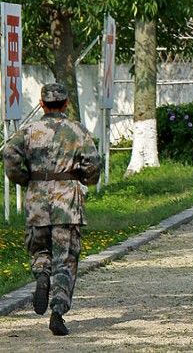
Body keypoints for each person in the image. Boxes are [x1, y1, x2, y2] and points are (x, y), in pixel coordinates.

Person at [3, 83, 101, 336]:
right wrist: (85, 178)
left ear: (42, 103)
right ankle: (57, 311)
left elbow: (9, 154)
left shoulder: (29, 130)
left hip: (37, 200)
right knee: (66, 258)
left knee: (39, 249)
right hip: (67, 202)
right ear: (66, 104)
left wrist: (24, 178)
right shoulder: (77, 130)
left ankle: (41, 274)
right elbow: (93, 162)